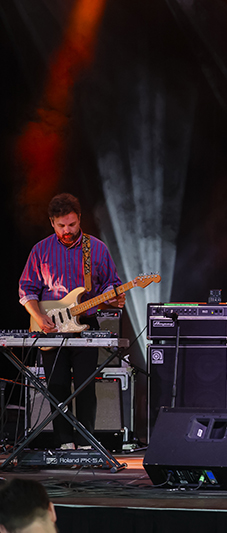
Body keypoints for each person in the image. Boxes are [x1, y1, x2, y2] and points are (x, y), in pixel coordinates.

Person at [19, 193, 125, 450]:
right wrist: (39, 317)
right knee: (56, 387)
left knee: (86, 386)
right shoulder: (40, 250)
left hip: (86, 324)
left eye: (72, 224)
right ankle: (64, 441)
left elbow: (111, 284)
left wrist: (114, 297)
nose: (67, 231)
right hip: (51, 328)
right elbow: (26, 290)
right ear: (52, 223)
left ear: (80, 219)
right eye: (61, 226)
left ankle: (86, 442)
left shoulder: (96, 248)